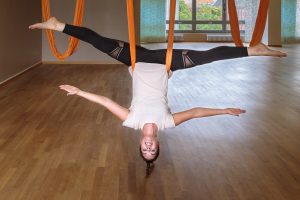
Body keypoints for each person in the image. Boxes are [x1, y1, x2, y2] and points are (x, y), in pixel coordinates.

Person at [29, 17, 285, 175]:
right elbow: (196, 112)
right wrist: (224, 111)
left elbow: (106, 102)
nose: (149, 148)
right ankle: (253, 50)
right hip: (166, 63)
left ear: (141, 145)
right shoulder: (167, 123)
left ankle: (58, 25)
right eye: (153, 151)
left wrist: (79, 92)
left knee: (100, 42)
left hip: (136, 60)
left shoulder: (131, 121)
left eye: (145, 150)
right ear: (158, 146)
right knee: (208, 57)